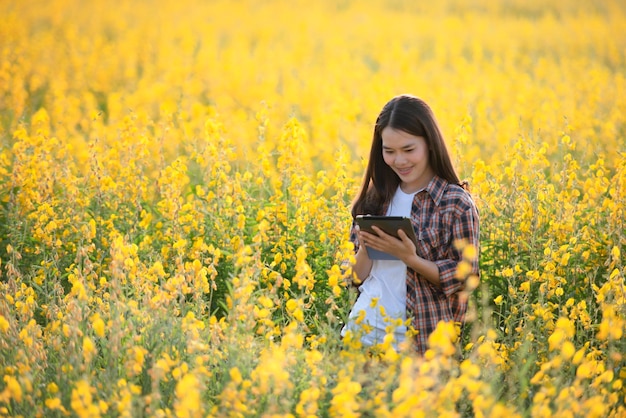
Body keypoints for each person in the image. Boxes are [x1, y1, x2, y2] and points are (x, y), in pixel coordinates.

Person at [341, 94, 480, 355]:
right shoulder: (374, 199)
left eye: (408, 150)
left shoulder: (454, 203)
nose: (399, 161)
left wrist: (409, 258)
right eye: (389, 151)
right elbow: (353, 279)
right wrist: (367, 247)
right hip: (364, 331)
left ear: (430, 143)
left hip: (423, 340)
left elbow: (465, 277)